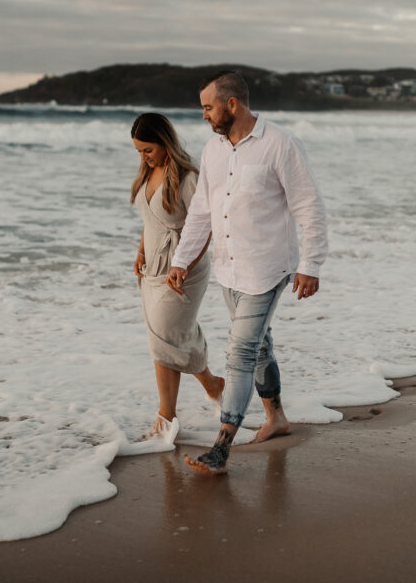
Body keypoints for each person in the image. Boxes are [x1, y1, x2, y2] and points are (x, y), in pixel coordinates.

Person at [167, 70, 328, 475]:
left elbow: (309, 206)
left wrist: (310, 265)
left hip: (268, 267)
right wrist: (181, 260)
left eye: (208, 107)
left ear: (231, 104)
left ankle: (222, 445)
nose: (204, 115)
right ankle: (277, 417)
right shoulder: (213, 150)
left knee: (239, 352)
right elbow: (202, 211)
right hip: (229, 268)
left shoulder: (280, 144)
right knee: (258, 346)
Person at [130, 112, 225, 441]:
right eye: (139, 151)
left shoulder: (187, 177)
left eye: (148, 150)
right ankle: (213, 384)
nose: (144, 157)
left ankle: (165, 419)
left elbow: (205, 227)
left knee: (164, 339)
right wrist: (141, 250)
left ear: (164, 141)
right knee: (171, 336)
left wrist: (182, 265)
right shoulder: (148, 172)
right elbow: (150, 220)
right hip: (154, 268)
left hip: (183, 269)